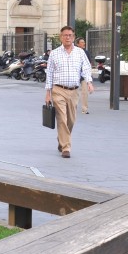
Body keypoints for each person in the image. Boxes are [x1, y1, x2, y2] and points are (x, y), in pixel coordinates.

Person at [44, 26, 92, 158]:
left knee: (71, 120)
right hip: (58, 90)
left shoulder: (80, 53)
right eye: (65, 35)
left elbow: (86, 68)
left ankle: (62, 140)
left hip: (73, 91)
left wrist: (89, 82)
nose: (68, 37)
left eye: (70, 35)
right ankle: (66, 147)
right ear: (61, 37)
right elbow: (50, 74)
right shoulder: (54, 53)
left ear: (74, 37)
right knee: (62, 118)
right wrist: (48, 93)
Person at [75, 37, 94, 114]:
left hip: (84, 76)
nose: (84, 43)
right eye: (82, 42)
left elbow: (89, 64)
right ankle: (73, 108)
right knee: (74, 92)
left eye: (84, 42)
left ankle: (84, 109)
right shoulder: (74, 52)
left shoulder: (86, 52)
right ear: (78, 44)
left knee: (85, 92)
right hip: (75, 75)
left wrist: (89, 75)